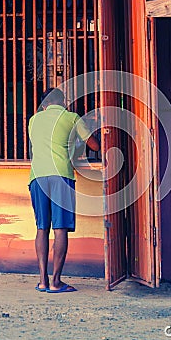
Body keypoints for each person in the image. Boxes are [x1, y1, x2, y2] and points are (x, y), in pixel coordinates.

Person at [28, 87, 100, 293]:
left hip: (37, 177)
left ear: (44, 104)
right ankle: (56, 282)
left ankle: (42, 281)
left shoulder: (33, 120)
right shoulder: (72, 117)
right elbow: (94, 145)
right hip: (60, 175)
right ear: (64, 101)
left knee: (42, 228)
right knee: (60, 229)